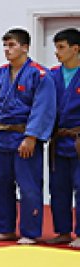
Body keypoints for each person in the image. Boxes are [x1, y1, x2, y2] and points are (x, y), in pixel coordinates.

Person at [0, 29, 55, 245]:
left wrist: (32, 137)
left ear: (25, 47)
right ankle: (4, 228)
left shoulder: (40, 74)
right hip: (1, 137)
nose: (7, 50)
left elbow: (43, 108)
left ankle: (30, 232)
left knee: (29, 186)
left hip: (24, 138)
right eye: (5, 45)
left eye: (11, 45)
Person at [48, 28, 80, 248]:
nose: (57, 52)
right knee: (59, 188)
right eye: (56, 47)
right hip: (58, 139)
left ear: (76, 49)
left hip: (78, 138)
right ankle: (62, 231)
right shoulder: (51, 75)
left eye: (61, 47)